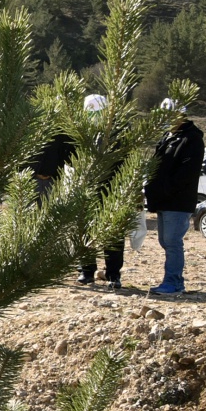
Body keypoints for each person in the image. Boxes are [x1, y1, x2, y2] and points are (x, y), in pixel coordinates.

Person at [145, 100, 204, 295]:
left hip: (177, 201)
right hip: (164, 199)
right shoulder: (168, 137)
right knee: (165, 241)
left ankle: (172, 282)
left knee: (172, 241)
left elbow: (186, 173)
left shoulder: (191, 139)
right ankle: (175, 282)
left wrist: (165, 190)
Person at [76, 94, 125, 289]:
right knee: (85, 231)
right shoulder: (82, 133)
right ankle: (86, 271)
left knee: (113, 233)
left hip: (112, 189)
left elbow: (125, 162)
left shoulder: (117, 134)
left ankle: (113, 274)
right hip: (88, 190)